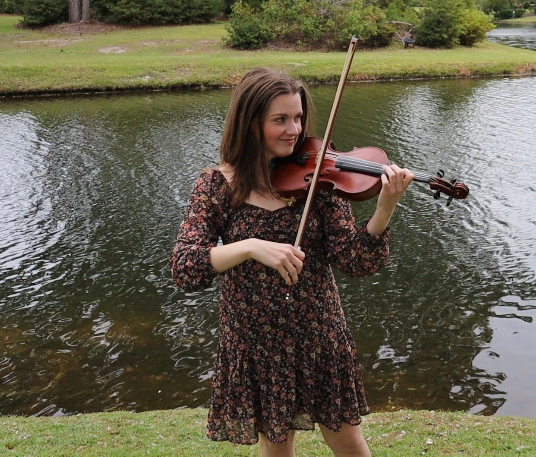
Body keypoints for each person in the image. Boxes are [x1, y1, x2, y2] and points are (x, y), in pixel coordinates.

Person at [171, 67, 414, 457]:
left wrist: (385, 206)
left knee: (350, 444)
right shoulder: (218, 184)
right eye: (280, 120)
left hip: (319, 333)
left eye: (298, 118)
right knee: (277, 448)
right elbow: (186, 266)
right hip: (256, 341)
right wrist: (250, 245)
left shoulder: (318, 177)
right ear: (250, 123)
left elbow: (356, 259)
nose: (294, 130)